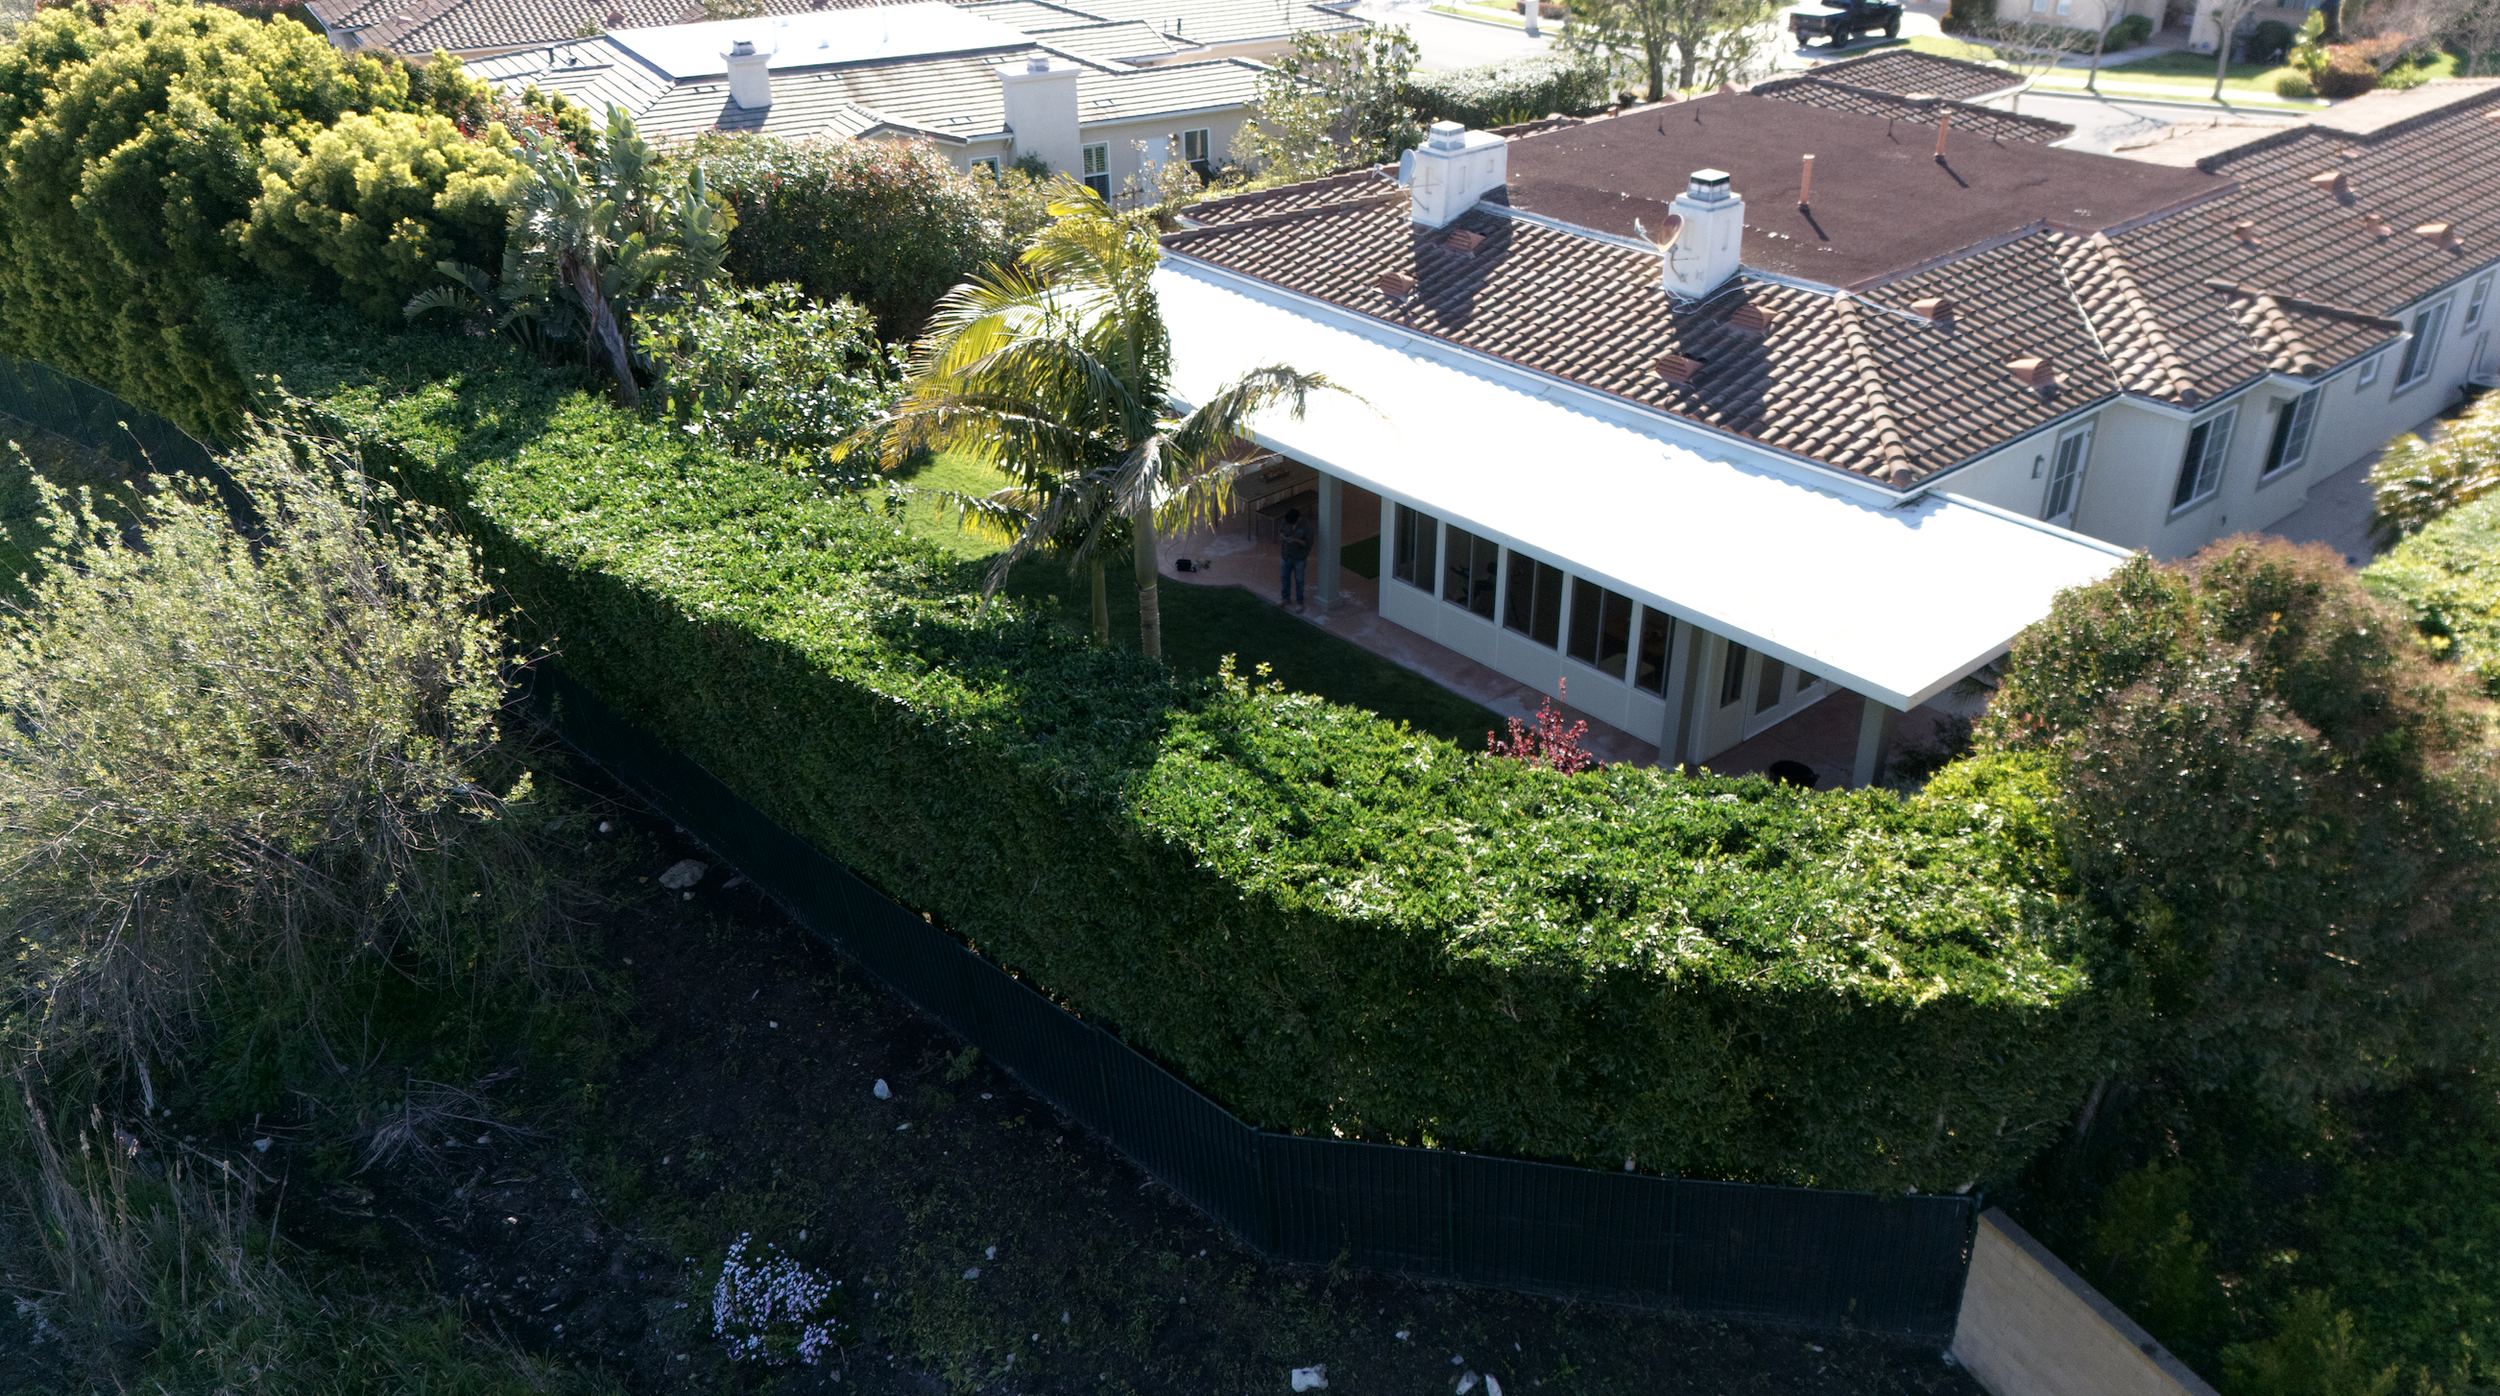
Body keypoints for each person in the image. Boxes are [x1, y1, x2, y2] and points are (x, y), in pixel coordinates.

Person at [1278, 507, 1311, 611]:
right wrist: (1282, 535)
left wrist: (1296, 540)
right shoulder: (1286, 520)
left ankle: (1299, 602)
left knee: (1299, 580)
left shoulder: (1306, 526)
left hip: (1299, 558)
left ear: (1298, 519)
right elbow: (1281, 531)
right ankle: (1285, 598)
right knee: (1284, 578)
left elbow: (1308, 543)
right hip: (1286, 555)